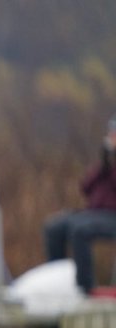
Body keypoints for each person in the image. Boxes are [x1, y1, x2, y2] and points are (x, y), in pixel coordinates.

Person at [43, 113, 116, 294]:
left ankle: (86, 287)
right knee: (54, 227)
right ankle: (58, 281)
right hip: (94, 213)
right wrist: (104, 164)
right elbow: (85, 187)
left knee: (79, 229)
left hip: (112, 216)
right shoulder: (106, 161)